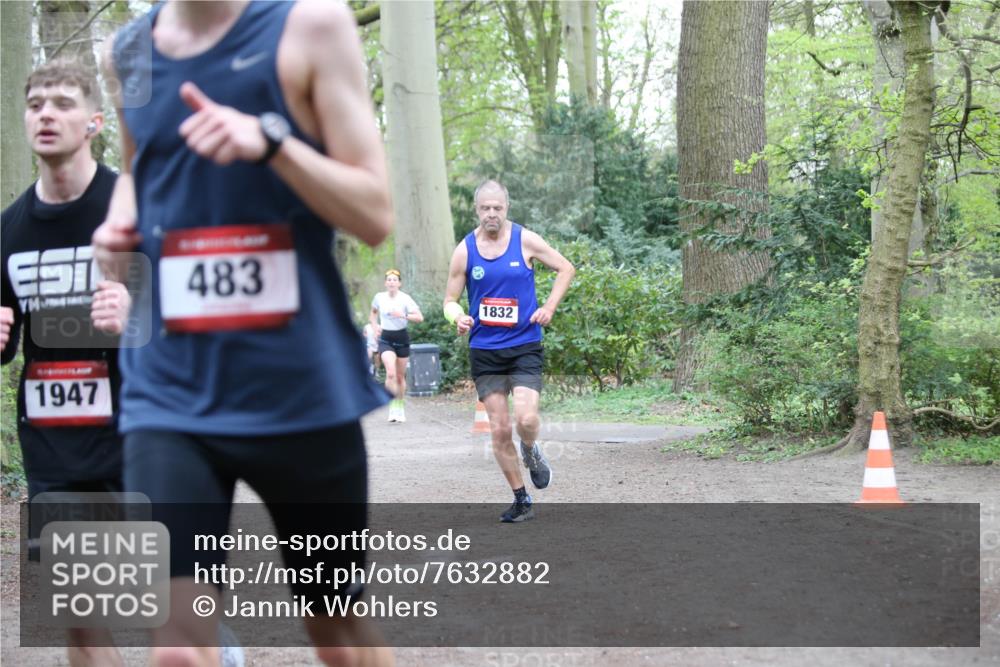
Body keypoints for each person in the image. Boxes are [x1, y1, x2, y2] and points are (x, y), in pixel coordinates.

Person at [92, 1, 394, 665]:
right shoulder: (127, 52)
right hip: (168, 392)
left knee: (336, 630)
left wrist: (272, 141)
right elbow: (138, 171)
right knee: (178, 645)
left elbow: (375, 213)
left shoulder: (312, 26)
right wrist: (116, 228)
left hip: (299, 393)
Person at [0, 59, 129, 667]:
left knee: (169, 607)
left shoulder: (132, 210)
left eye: (62, 103)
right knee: (83, 618)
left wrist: (139, 310)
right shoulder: (8, 230)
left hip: (145, 436)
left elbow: (194, 319)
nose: (46, 114)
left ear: (94, 123)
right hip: (55, 445)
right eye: (36, 105)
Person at [443, 180, 575, 523]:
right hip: (485, 350)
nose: (491, 214)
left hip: (524, 345)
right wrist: (458, 317)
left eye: (497, 208)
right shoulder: (464, 250)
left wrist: (549, 307)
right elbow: (449, 300)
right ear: (477, 210)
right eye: (485, 208)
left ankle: (530, 449)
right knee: (500, 429)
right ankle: (521, 499)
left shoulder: (525, 240)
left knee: (526, 419)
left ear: (506, 208)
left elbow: (566, 268)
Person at [370, 269, 423, 422]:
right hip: (386, 339)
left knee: (400, 377)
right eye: (389, 279)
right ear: (385, 283)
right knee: (391, 373)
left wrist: (403, 315)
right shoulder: (379, 297)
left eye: (395, 280)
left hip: (402, 339)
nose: (392, 282)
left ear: (399, 283)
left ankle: (400, 405)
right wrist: (375, 327)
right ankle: (392, 405)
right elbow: (373, 313)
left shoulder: (405, 299)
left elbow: (419, 318)